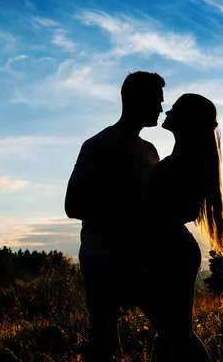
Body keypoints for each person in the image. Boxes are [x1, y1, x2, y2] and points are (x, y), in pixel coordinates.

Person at [65, 71, 165, 361]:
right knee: (105, 340)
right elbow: (73, 205)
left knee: (169, 326)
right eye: (156, 101)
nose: (160, 108)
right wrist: (132, 207)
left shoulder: (151, 150)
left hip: (141, 258)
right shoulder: (98, 146)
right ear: (134, 100)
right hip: (103, 258)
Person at [138, 93, 223, 361]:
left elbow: (158, 209)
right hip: (172, 249)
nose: (167, 112)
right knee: (172, 333)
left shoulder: (179, 165)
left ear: (187, 121)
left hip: (169, 251)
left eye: (175, 109)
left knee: (174, 332)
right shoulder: (186, 161)